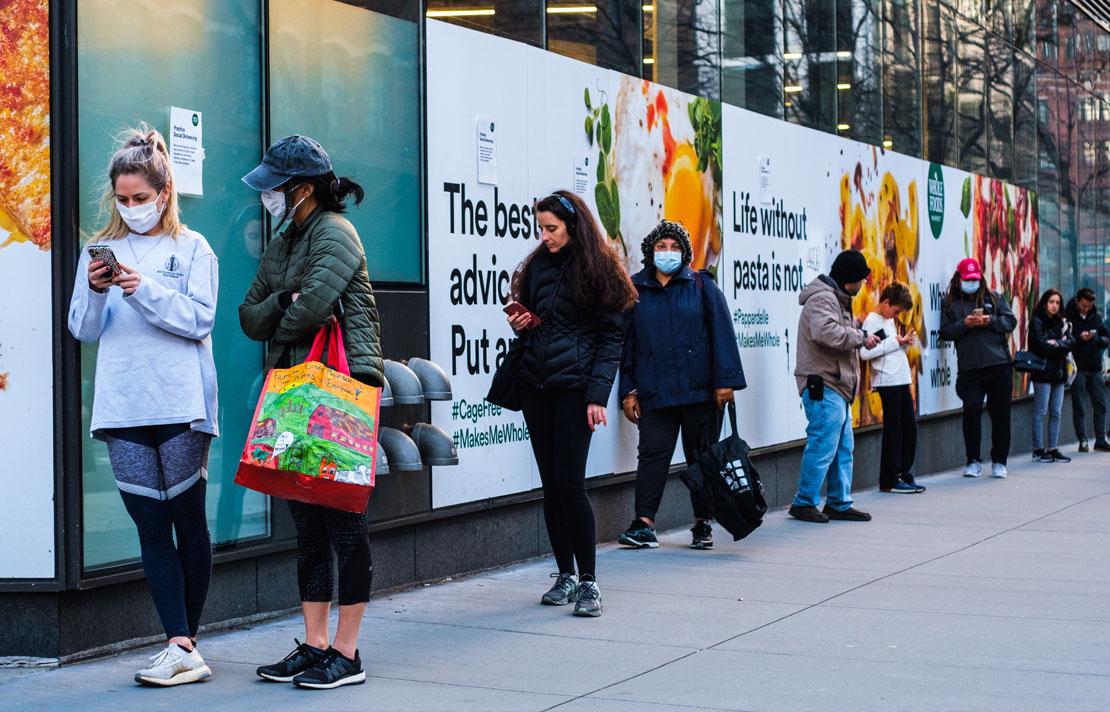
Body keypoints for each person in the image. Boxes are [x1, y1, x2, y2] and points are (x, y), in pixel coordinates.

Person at [68, 125, 218, 686]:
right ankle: (180, 645)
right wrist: (97, 287)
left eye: (141, 198)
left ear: (163, 191)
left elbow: (200, 319)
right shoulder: (98, 252)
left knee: (188, 521)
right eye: (123, 200)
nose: (131, 208)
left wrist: (143, 289)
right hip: (123, 403)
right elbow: (82, 329)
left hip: (182, 402)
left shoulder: (193, 247)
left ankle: (184, 642)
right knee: (151, 529)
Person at [239, 135, 382, 689]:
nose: (270, 196)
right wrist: (282, 304)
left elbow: (315, 310)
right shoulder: (287, 236)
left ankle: (348, 653)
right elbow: (250, 316)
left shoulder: (336, 232)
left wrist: (289, 310)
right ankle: (316, 644)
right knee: (307, 523)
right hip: (296, 389)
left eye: (276, 187)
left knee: (344, 519)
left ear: (301, 188)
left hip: (340, 390)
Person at [505, 190, 634, 617]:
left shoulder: (599, 269)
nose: (545, 237)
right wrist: (521, 321)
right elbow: (537, 324)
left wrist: (598, 396)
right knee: (550, 485)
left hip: (576, 390)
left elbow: (612, 337)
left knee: (570, 483)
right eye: (541, 228)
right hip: (536, 386)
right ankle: (565, 575)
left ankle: (590, 582)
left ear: (574, 225)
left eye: (552, 228)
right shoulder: (538, 266)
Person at [616, 220, 746, 550]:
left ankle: (703, 522)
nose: (668, 253)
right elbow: (626, 343)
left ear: (685, 253)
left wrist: (725, 382)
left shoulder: (701, 286)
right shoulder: (634, 289)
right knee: (651, 455)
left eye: (675, 247)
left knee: (701, 457)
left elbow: (722, 334)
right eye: (662, 247)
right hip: (655, 390)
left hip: (700, 391)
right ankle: (644, 523)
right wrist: (628, 390)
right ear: (650, 251)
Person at [788, 250, 880, 524]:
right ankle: (804, 502)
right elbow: (825, 332)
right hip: (822, 383)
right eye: (862, 279)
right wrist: (861, 337)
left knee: (842, 448)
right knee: (823, 445)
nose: (863, 285)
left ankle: (839, 502)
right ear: (851, 279)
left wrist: (858, 337)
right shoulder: (823, 299)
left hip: (836, 386)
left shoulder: (838, 299)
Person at [939, 257, 1017, 479]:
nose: (971, 282)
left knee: (1001, 414)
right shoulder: (951, 303)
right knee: (971, 411)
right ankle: (972, 460)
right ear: (959, 278)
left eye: (974, 279)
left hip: (998, 365)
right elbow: (945, 332)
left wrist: (989, 321)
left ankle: (999, 461)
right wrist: (964, 324)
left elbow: (1010, 322)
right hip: (970, 369)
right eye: (967, 279)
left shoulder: (994, 297)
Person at [860, 282, 925, 494]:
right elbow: (866, 353)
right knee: (894, 428)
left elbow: (888, 347)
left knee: (909, 427)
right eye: (896, 311)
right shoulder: (872, 321)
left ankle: (904, 473)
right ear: (886, 303)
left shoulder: (887, 320)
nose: (895, 315)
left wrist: (903, 343)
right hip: (887, 380)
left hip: (899, 378)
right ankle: (890, 478)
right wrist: (895, 342)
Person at [1028, 289, 1074, 463]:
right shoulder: (1037, 322)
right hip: (1043, 372)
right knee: (1041, 411)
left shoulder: (1062, 322)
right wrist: (1060, 345)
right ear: (1045, 303)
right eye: (1051, 302)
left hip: (1059, 371)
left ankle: (1052, 447)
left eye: (1057, 302)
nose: (1055, 305)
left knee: (1056, 411)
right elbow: (1040, 346)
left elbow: (1072, 342)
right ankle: (1038, 450)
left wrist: (1057, 343)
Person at [1065, 288, 1110, 453]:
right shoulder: (1068, 317)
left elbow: (1106, 338)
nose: (1086, 308)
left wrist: (1097, 338)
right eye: (1084, 305)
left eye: (1089, 305)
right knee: (1079, 406)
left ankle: (1100, 439)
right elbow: (1064, 340)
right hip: (1078, 368)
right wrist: (1078, 338)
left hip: (1095, 367)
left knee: (1100, 404)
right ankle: (1082, 440)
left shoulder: (1096, 316)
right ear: (1077, 301)